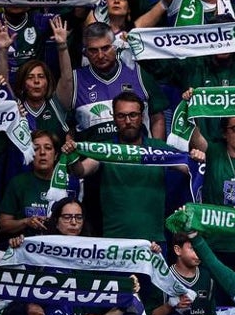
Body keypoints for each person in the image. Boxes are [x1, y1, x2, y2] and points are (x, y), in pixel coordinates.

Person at [65, 92, 184, 243]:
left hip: (154, 242)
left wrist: (196, 156)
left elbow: (188, 167)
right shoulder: (105, 150)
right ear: (114, 118)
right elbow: (80, 171)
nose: (128, 121)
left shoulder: (158, 149)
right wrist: (72, 155)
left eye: (133, 115)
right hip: (115, 242)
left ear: (142, 117)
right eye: (121, 116)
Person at [55, 20, 165, 141]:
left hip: (136, 156)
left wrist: (156, 151)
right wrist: (62, 47)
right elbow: (68, 126)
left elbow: (157, 116)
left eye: (105, 48)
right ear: (85, 53)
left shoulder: (137, 72)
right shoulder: (75, 79)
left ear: (115, 46)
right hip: (93, 158)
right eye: (93, 50)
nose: (100, 55)